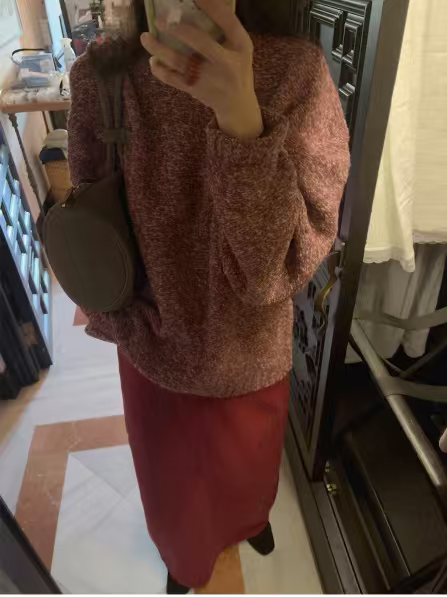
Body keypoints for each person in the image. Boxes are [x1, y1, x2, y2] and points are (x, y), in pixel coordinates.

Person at [68, 0, 350, 592]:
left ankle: (249, 523)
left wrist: (243, 118)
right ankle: (185, 562)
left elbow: (272, 272)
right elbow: (92, 226)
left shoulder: (295, 74)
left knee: (249, 476)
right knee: (174, 496)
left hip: (249, 357)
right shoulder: (101, 78)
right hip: (153, 351)